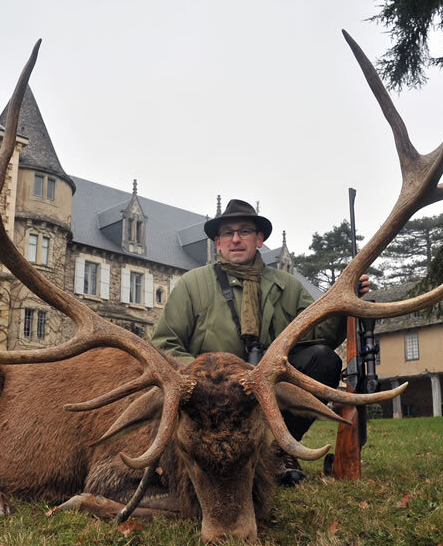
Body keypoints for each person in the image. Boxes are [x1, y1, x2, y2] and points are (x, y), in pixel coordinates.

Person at [151, 199, 368, 486]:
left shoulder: (286, 285)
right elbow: (164, 343)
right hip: (210, 393)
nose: (236, 239)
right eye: (228, 233)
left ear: (260, 240)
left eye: (245, 231)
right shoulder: (193, 284)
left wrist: (344, 303)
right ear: (217, 242)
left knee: (324, 358)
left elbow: (321, 333)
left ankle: (278, 452)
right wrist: (203, 375)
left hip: (268, 386)